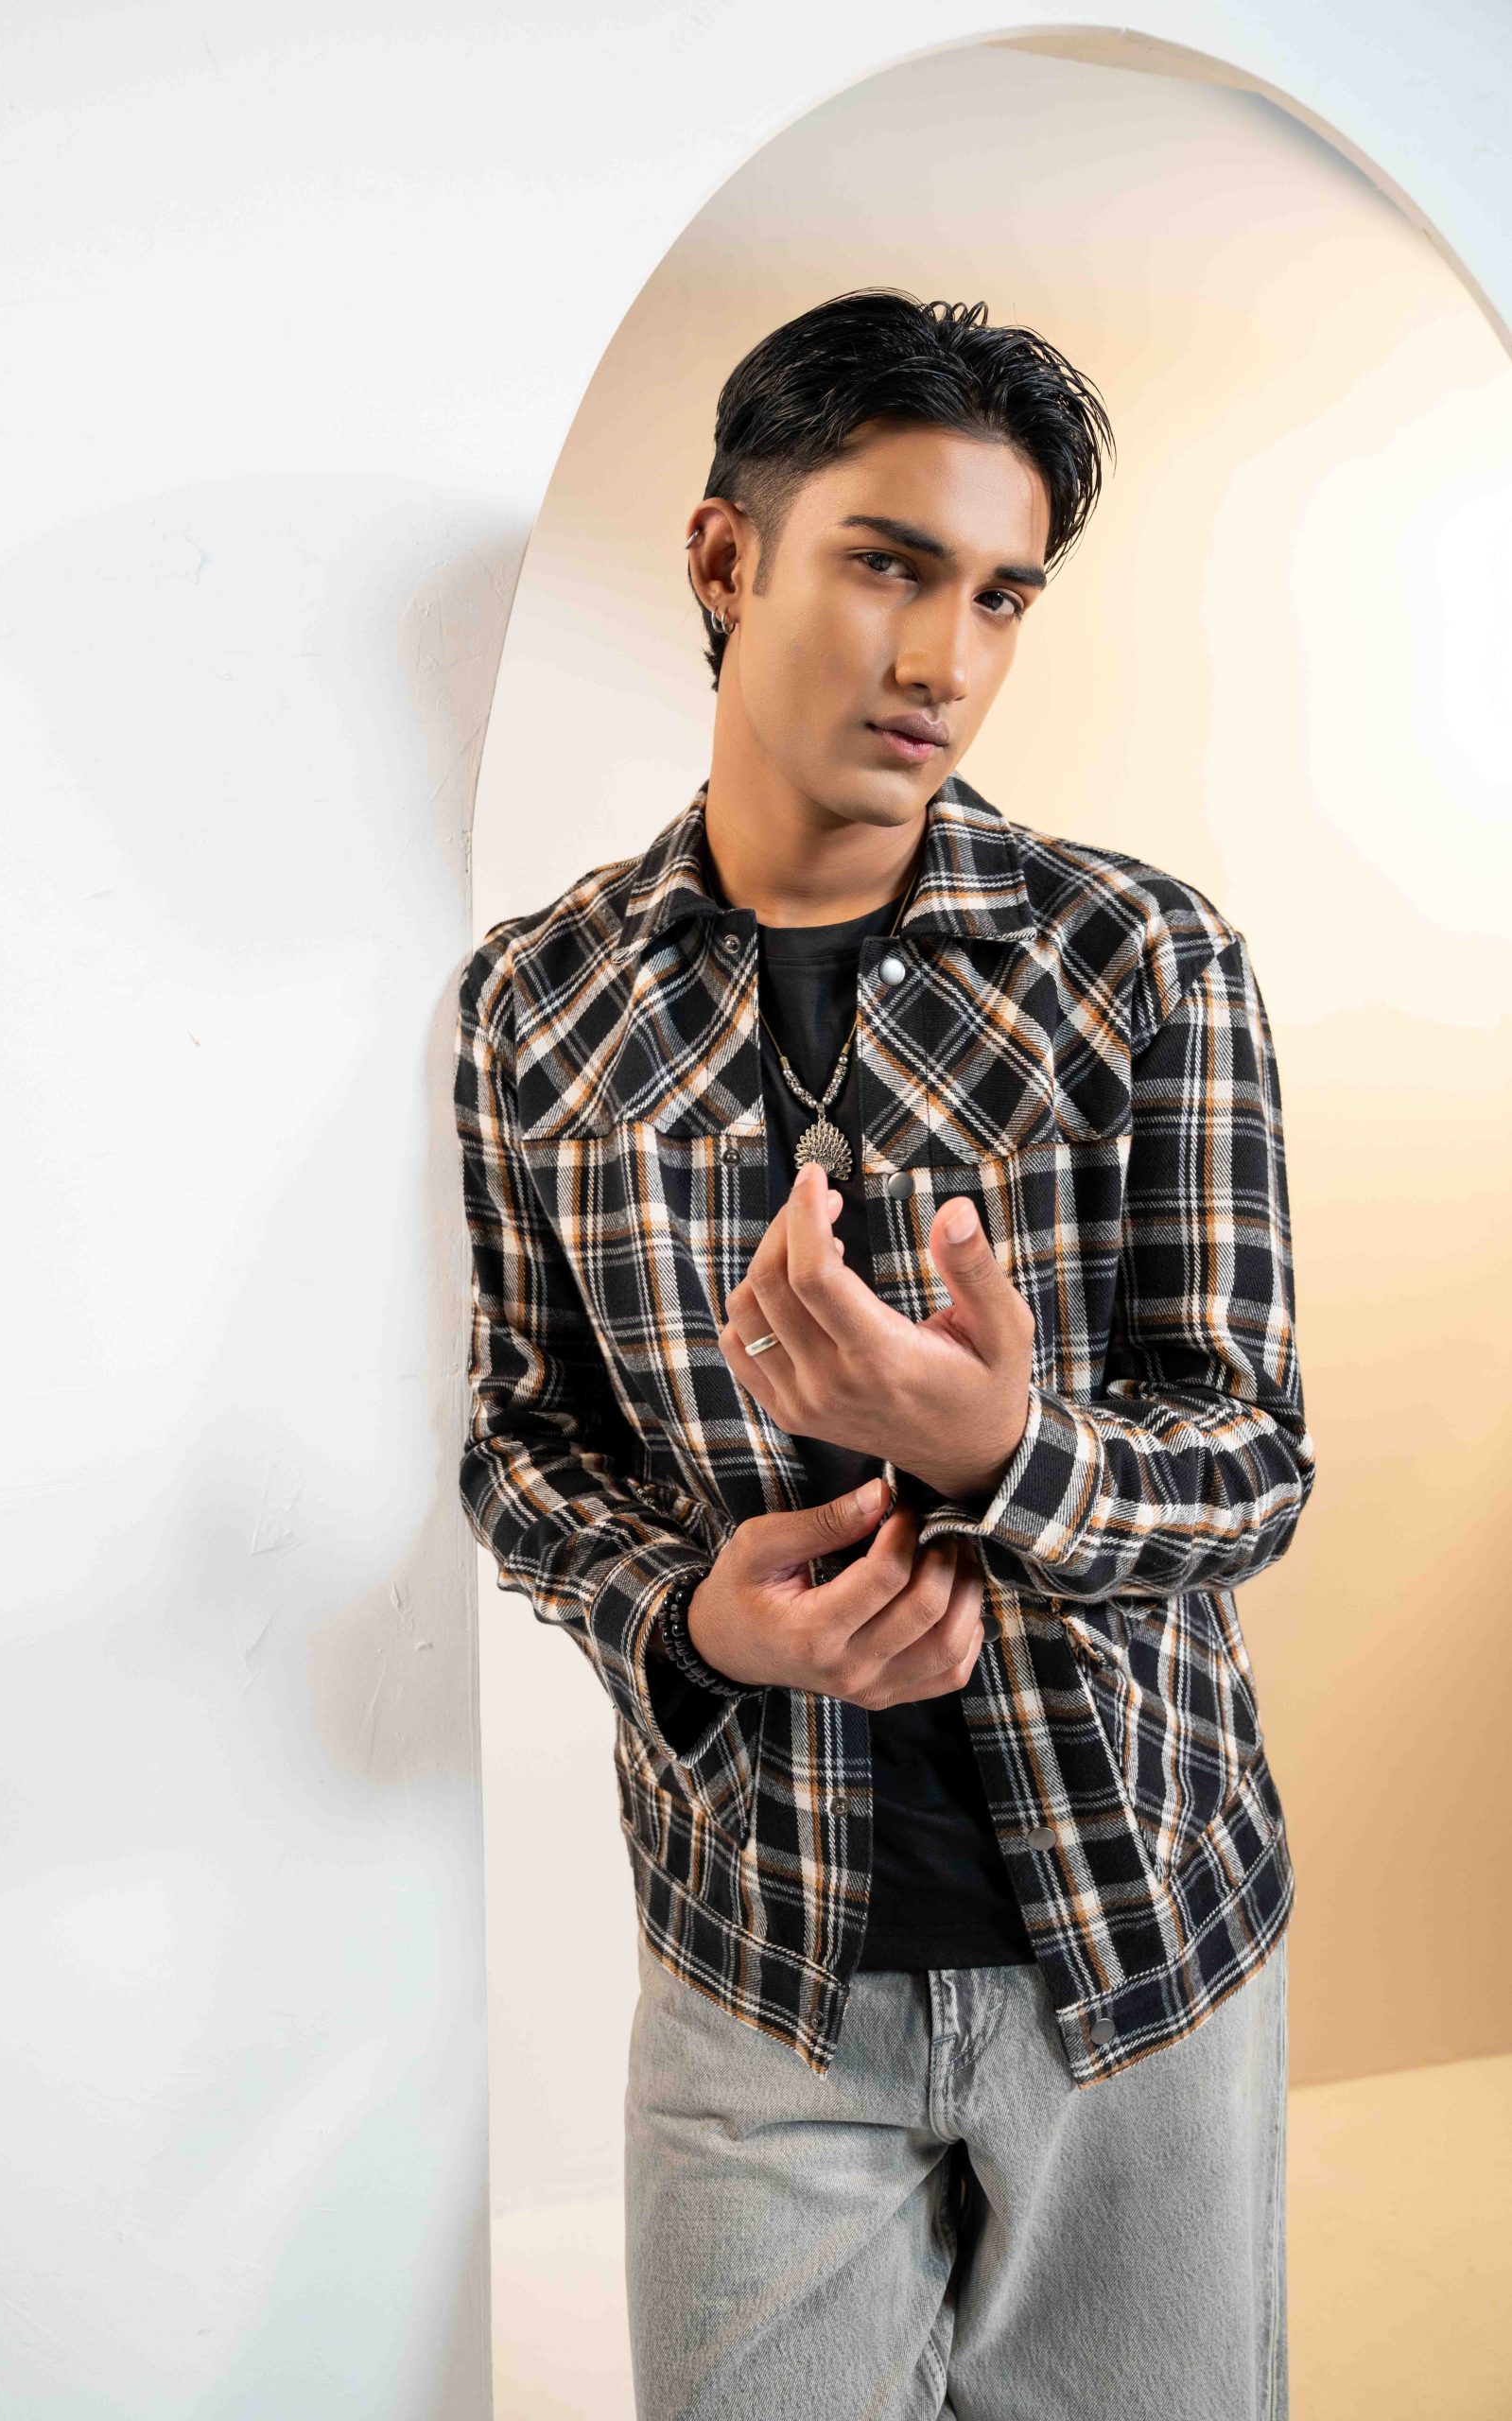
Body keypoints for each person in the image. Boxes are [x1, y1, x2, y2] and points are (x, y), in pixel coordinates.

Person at [453, 287, 1316, 2420]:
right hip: (758, 1958)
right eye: (887, 564)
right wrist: (697, 1622)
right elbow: (522, 1442)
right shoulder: (534, 1006)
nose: (943, 658)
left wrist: (1000, 1443)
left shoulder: (1142, 962)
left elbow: (1252, 1458)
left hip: (1135, 1950)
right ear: (724, 557)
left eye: (1000, 595)